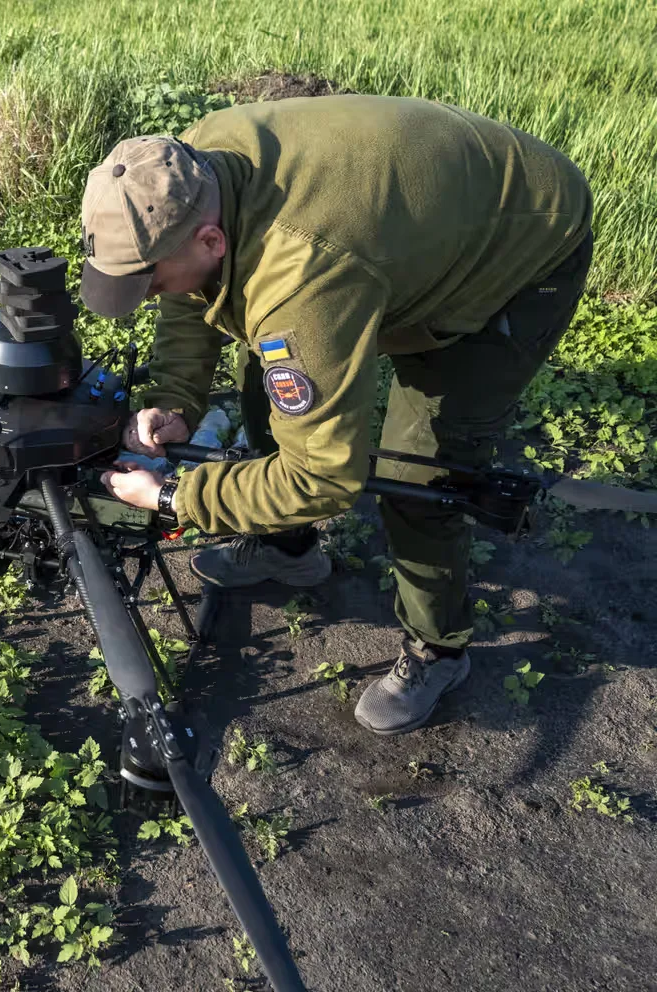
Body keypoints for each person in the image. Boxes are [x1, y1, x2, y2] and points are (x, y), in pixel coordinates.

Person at [84, 95, 592, 735]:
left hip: (524, 245)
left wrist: (174, 496)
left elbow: (324, 478)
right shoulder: (177, 170)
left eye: (150, 283)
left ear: (211, 237)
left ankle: (439, 649)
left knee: (423, 472)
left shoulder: (304, 277)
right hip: (405, 225)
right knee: (266, 388)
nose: (151, 296)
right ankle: (288, 549)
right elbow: (192, 290)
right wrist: (176, 396)